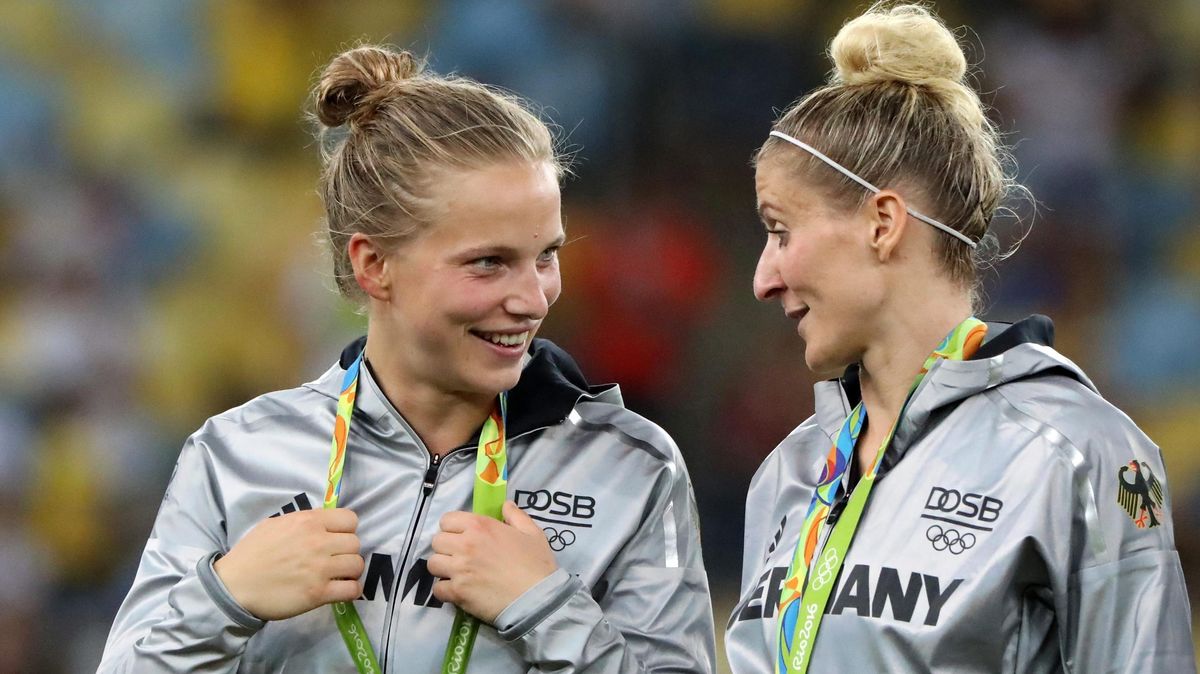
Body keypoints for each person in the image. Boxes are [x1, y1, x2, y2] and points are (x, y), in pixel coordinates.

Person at [99, 45, 715, 673]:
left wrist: (546, 608)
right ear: (374, 265)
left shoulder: (632, 467)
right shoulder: (236, 454)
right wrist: (226, 599)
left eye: (546, 256)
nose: (533, 299)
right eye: (489, 262)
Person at [724, 4, 1194, 673]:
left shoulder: (1078, 454)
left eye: (780, 231)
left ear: (882, 223)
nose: (763, 279)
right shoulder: (789, 473)